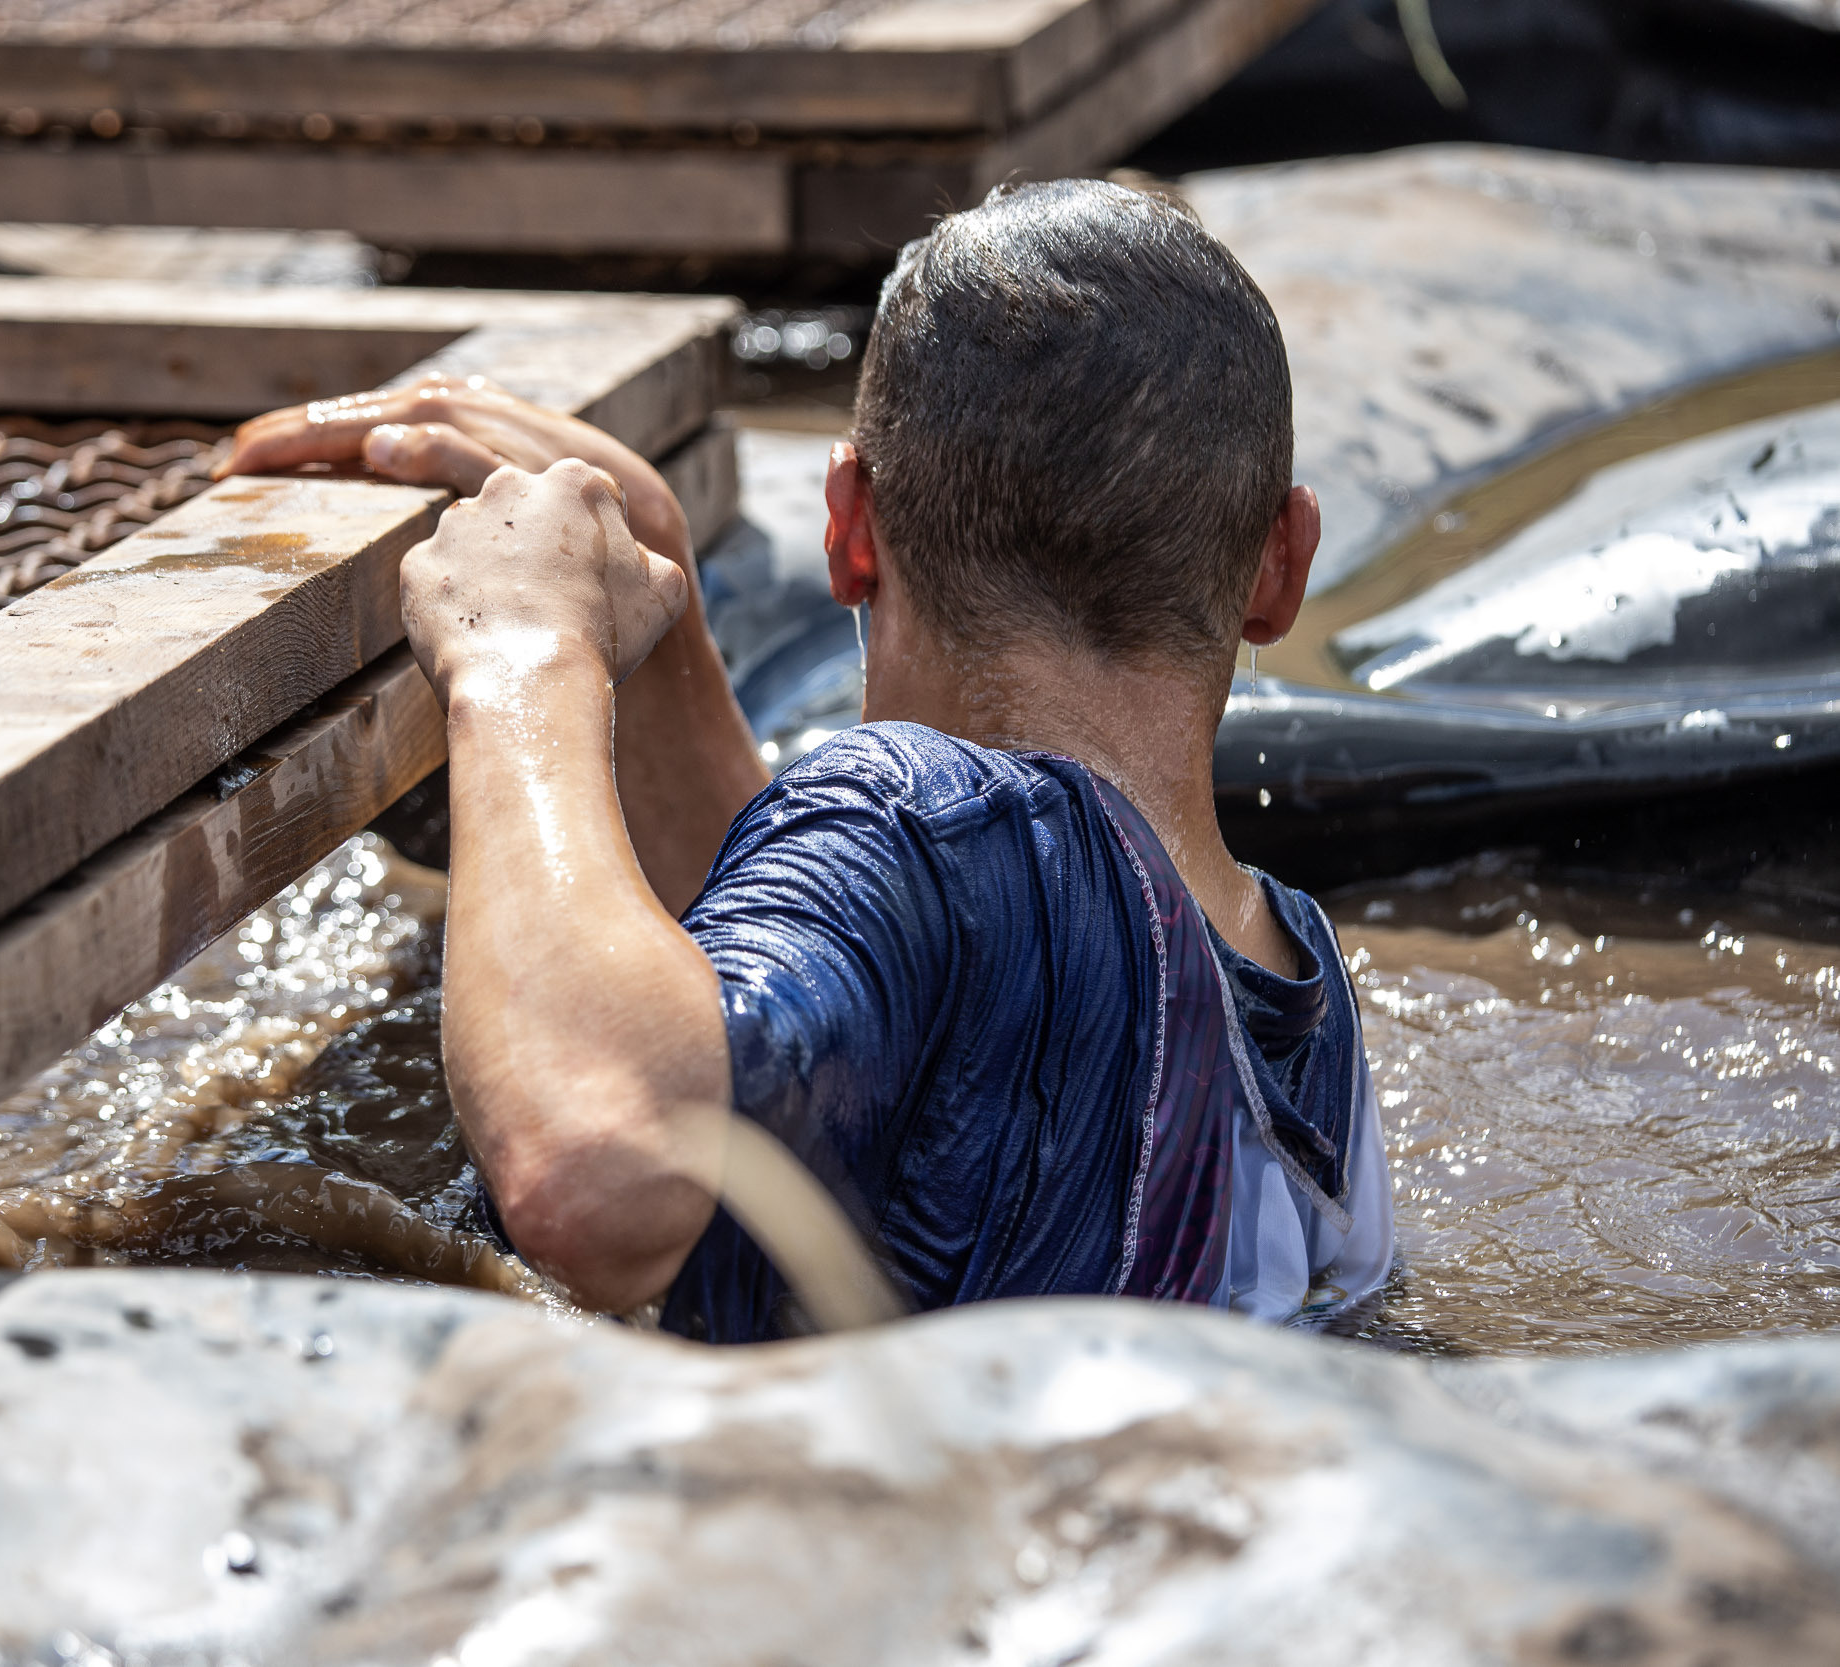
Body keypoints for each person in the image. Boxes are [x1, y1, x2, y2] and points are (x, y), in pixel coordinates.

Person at [218, 178, 1395, 1342]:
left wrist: (523, 657)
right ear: (1281, 566)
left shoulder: (917, 819)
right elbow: (829, 995)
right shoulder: (1299, 987)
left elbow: (600, 1171)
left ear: (845, 528)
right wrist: (665, 618)